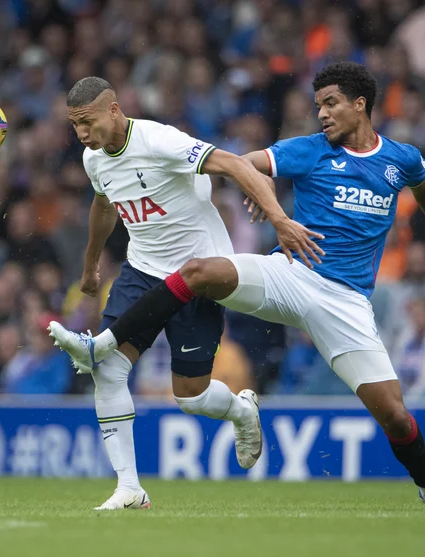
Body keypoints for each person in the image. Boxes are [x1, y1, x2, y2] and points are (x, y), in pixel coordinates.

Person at [51, 63, 425, 512]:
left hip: (346, 302)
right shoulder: (309, 151)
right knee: (200, 271)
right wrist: (265, 200)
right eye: (318, 106)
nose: (322, 114)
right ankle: (104, 346)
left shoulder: (401, 159)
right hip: (290, 274)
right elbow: (247, 162)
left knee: (393, 414)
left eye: (331, 104)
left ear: (361, 105)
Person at [48, 77, 320, 511]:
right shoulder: (93, 159)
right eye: (74, 125)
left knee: (190, 397)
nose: (82, 134)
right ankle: (129, 488)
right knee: (109, 372)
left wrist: (279, 220)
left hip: (198, 275)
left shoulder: (159, 141)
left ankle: (240, 411)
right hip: (141, 272)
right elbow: (104, 206)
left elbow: (233, 164)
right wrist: (90, 265)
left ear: (114, 110)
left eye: (87, 122)